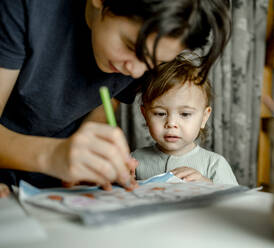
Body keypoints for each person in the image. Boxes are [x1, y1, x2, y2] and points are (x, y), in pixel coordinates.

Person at [0, 0, 231, 190]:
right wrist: (53, 156)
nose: (136, 71)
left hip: (62, 189)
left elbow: (104, 102)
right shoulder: (25, 9)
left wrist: (95, 152)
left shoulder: (139, 62)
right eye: (131, 47)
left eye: (157, 62)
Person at [133, 57, 238, 185]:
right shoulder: (134, 161)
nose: (171, 123)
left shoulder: (214, 164)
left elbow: (234, 201)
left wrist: (207, 184)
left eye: (185, 114)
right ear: (145, 115)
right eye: (160, 113)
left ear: (204, 117)